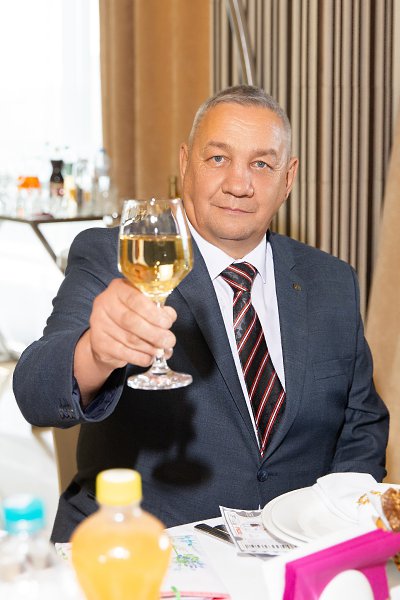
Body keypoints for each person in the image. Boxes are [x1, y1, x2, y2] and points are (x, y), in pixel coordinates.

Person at [13, 85, 389, 543]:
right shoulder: (120, 256)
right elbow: (34, 393)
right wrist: (95, 353)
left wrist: (339, 528)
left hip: (297, 554)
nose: (238, 184)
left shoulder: (332, 280)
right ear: (185, 162)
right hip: (147, 550)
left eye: (261, 164)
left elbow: (361, 427)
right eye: (218, 159)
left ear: (288, 178)